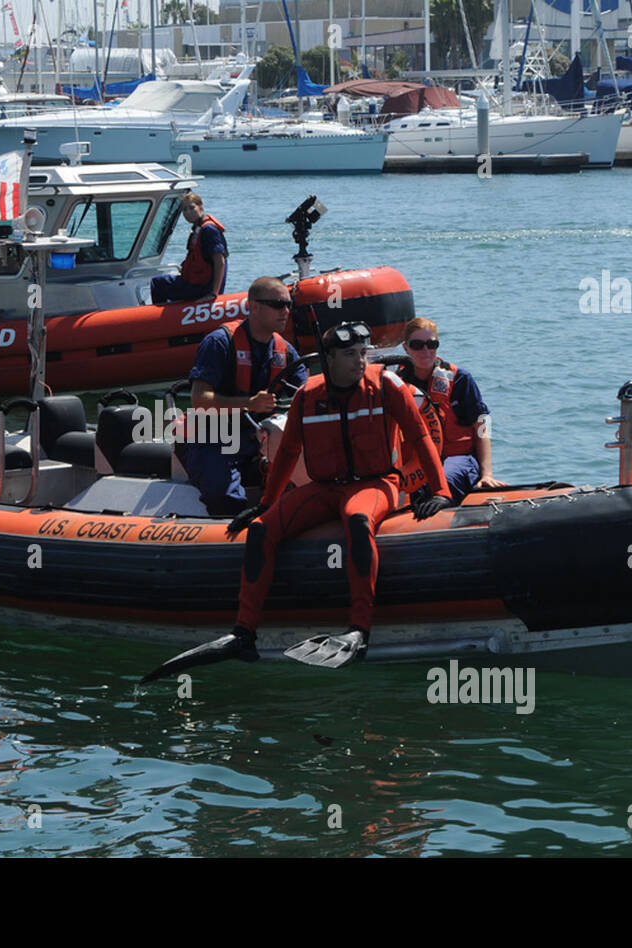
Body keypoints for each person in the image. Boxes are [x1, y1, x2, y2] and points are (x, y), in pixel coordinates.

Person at [142, 321, 452, 681]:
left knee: (358, 520)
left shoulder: (386, 385)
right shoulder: (309, 395)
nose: (359, 362)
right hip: (324, 488)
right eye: (350, 355)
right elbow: (287, 453)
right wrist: (267, 503)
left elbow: (419, 436)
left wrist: (441, 492)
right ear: (329, 358)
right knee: (261, 530)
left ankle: (359, 631)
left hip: (375, 483)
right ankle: (243, 633)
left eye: (363, 354)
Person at [183, 276, 307, 515]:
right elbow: (199, 399)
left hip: (259, 437)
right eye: (278, 304)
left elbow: (306, 392)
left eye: (289, 304)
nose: (286, 311)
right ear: (254, 307)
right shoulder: (220, 343)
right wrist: (248, 404)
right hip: (215, 436)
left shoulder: (285, 351)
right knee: (226, 498)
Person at [395, 317, 507, 502]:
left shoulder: (460, 379)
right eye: (417, 345)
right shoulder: (395, 382)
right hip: (416, 462)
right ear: (406, 348)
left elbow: (482, 426)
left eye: (432, 344)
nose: (426, 351)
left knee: (444, 480)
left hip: (458, 457)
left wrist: (487, 474)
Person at [150, 192, 227, 305]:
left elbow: (220, 261)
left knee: (157, 283)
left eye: (191, 208)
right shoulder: (198, 228)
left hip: (203, 287)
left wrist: (213, 293)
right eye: (184, 210)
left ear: (200, 207)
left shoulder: (208, 230)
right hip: (197, 282)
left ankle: (161, 320)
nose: (188, 213)